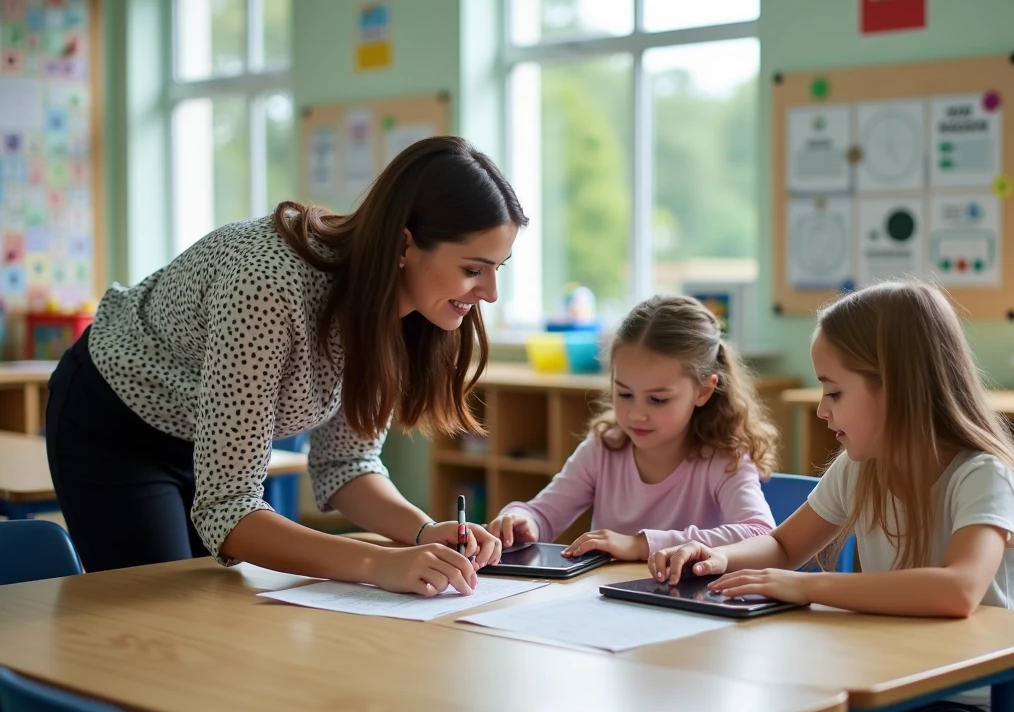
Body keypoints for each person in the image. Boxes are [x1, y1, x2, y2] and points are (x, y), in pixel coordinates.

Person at [46, 136, 523, 597]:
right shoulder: (267, 285)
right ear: (404, 246)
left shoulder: (408, 308)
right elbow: (228, 507)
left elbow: (345, 464)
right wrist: (379, 562)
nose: (490, 293)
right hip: (117, 424)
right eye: (472, 269)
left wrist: (423, 533)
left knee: (218, 615)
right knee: (163, 627)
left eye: (497, 268)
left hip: (205, 441)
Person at [648, 280, 1014, 712]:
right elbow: (784, 545)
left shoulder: (984, 475)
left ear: (897, 388)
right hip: (894, 691)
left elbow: (958, 589)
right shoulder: (860, 467)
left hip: (984, 707)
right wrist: (721, 557)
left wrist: (808, 586)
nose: (822, 409)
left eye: (834, 392)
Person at [488, 294, 777, 561]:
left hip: (690, 607)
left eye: (658, 399)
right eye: (624, 394)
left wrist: (641, 545)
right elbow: (543, 513)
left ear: (703, 391)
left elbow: (759, 533)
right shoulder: (603, 448)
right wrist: (521, 519)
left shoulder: (724, 459)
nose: (637, 415)